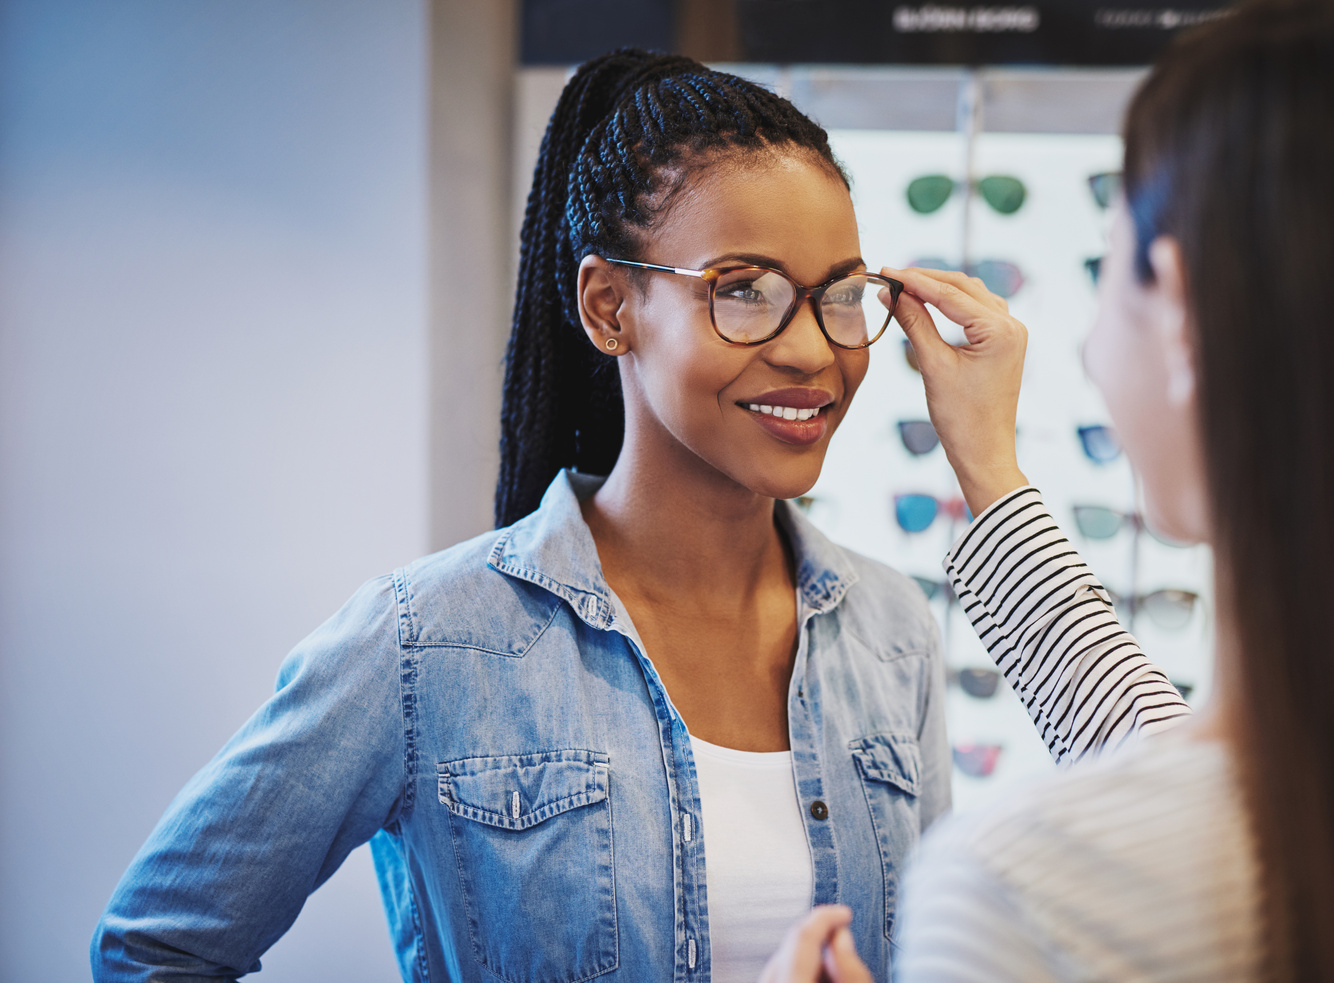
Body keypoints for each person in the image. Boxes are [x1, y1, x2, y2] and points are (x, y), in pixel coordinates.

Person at [93, 51, 1187, 983]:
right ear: (609, 306)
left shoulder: (889, 625)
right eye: (743, 287)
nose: (810, 348)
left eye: (838, 295)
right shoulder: (425, 640)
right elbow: (153, 948)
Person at [767, 1, 1334, 980]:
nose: (1095, 348)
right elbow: (1165, 749)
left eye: (1108, 269)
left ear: (1180, 313)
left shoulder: (1029, 889)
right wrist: (989, 469)